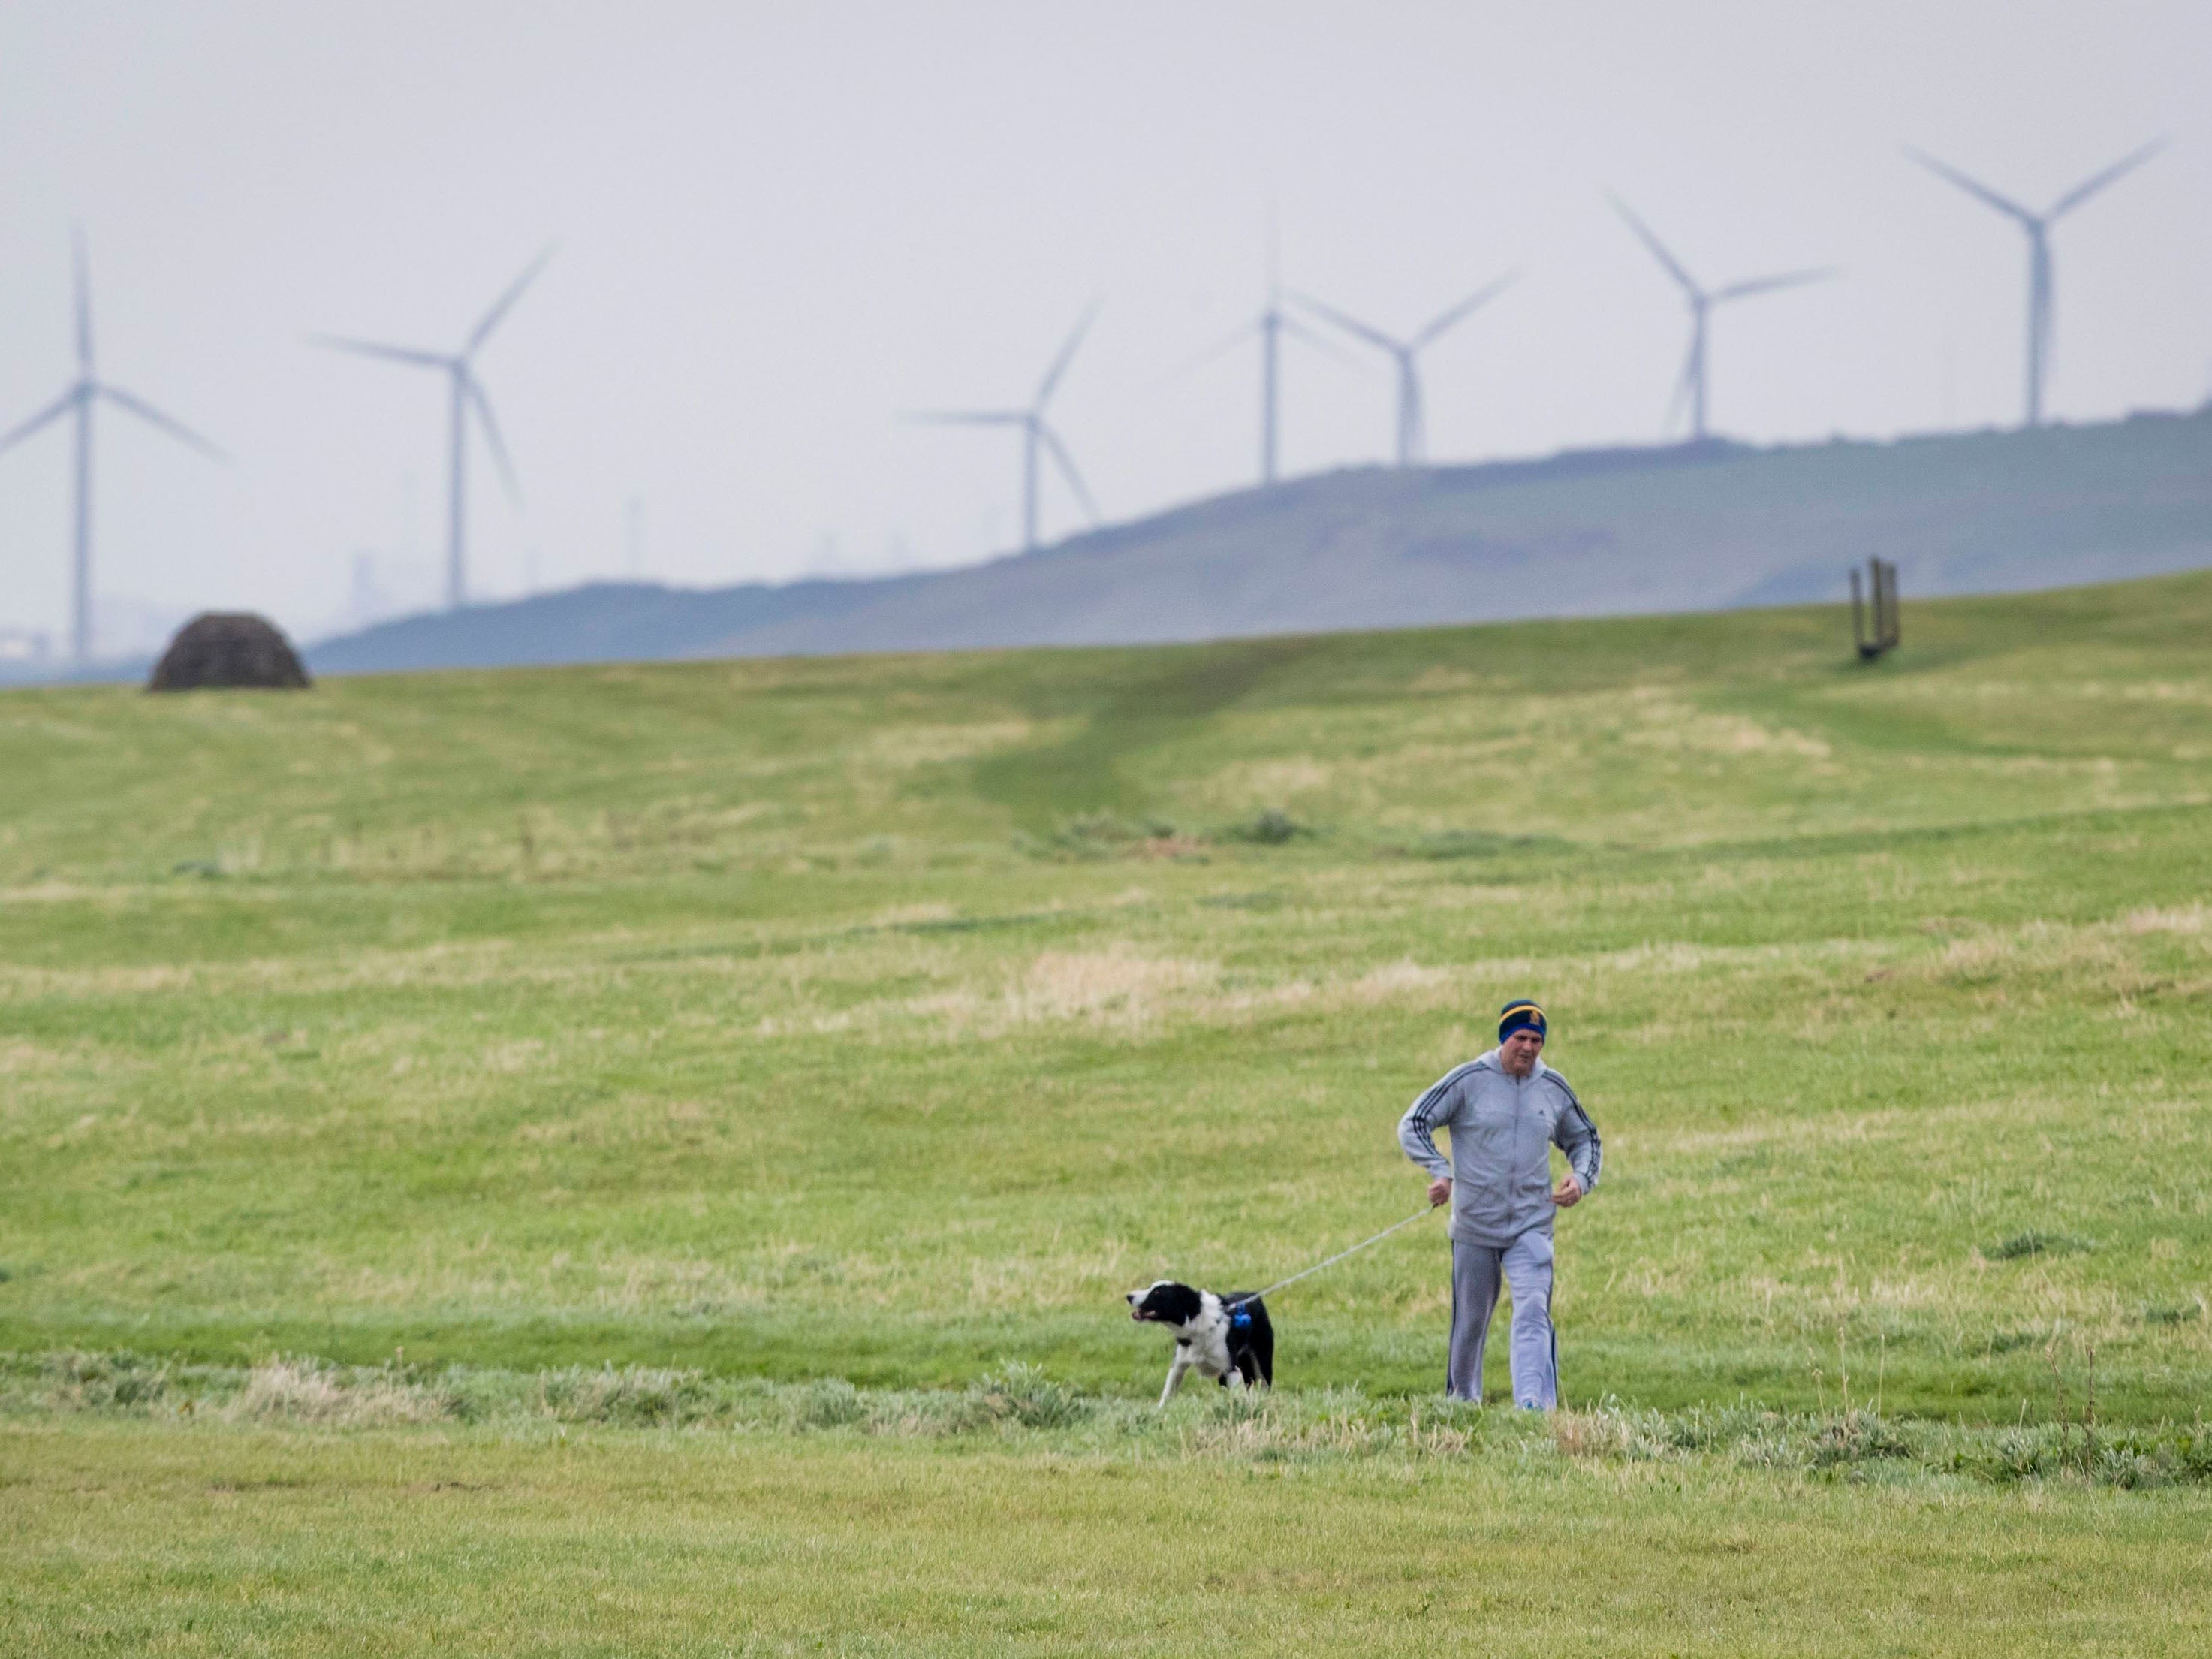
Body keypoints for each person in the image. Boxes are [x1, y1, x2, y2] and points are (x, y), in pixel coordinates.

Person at [1396, 1000, 1601, 1407]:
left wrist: (1580, 1179)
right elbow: (1414, 1122)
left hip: (1532, 1224)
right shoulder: (1469, 1080)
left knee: (1533, 1311)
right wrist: (1440, 1170)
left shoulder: (1552, 1087)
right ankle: (1463, 1404)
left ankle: (1533, 1408)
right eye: (1520, 1038)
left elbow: (1586, 1139)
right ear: (1504, 1038)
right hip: (1475, 1226)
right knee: (1470, 1324)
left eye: (1537, 1040)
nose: (1528, 1048)